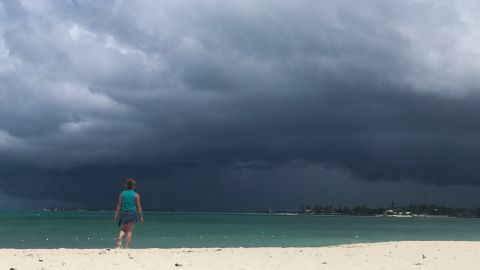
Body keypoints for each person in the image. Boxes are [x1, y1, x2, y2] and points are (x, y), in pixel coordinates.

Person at [114, 178, 143, 249]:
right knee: (129, 230)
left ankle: (120, 238)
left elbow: (119, 205)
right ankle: (127, 246)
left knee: (123, 229)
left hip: (124, 213)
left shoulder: (122, 194)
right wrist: (141, 216)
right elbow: (139, 207)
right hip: (132, 213)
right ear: (133, 186)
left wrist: (116, 214)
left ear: (126, 186)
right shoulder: (136, 195)